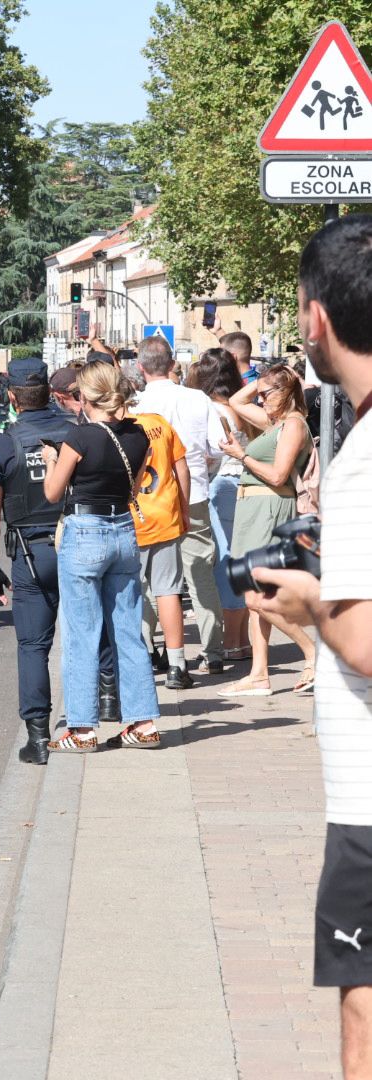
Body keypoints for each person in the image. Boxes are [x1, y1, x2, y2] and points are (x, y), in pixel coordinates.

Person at [239, 216, 372, 1080]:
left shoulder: (362, 458)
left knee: (365, 1013)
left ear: (316, 318)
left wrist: (311, 602)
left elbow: (365, 641)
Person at [40, 359, 161, 752]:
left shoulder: (80, 438)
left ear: (85, 396)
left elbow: (53, 493)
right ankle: (143, 723)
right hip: (123, 530)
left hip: (85, 532)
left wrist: (51, 461)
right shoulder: (139, 435)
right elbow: (134, 488)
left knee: (81, 634)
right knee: (128, 631)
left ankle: (82, 729)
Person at [0, 358, 74, 764]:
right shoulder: (75, 431)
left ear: (12, 397)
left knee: (33, 645)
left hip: (31, 553)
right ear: (50, 393)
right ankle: (100, 712)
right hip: (78, 541)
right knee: (89, 634)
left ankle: (38, 739)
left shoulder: (4, 445)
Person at [217, 364, 317, 696]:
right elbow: (236, 400)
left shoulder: (293, 424)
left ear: (284, 392)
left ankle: (312, 652)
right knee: (257, 598)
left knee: (256, 596)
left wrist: (241, 455)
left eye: (266, 394)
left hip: (269, 506)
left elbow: (277, 475)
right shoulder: (276, 422)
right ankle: (259, 674)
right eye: (259, 394)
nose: (260, 399)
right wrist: (264, 377)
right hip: (255, 507)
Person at [134, 336, 228, 675]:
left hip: (150, 500)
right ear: (173, 364)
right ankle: (212, 652)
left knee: (149, 580)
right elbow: (218, 446)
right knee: (200, 573)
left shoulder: (135, 406)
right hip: (195, 494)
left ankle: (146, 648)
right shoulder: (197, 398)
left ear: (140, 368)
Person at [190, 348, 253, 665]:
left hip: (220, 485)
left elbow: (211, 457)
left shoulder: (211, 409)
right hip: (245, 484)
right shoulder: (242, 406)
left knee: (224, 563)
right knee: (240, 560)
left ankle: (230, 642)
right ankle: (242, 640)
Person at [130, 407, 195, 688]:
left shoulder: (115, 429)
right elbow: (182, 468)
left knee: (129, 595)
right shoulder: (158, 423)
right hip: (164, 515)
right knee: (168, 591)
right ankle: (177, 665)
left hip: (130, 520)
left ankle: (137, 659)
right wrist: (184, 509)